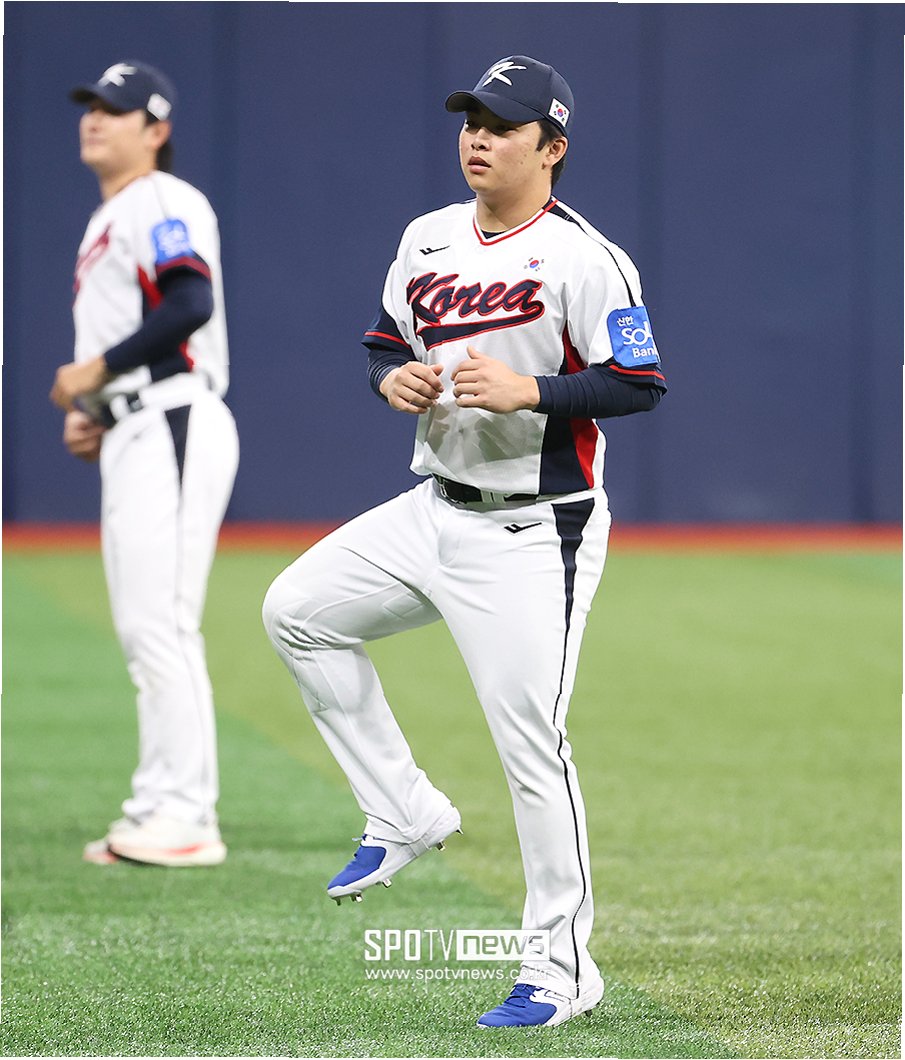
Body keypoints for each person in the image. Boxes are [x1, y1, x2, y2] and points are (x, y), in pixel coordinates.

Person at [263, 55, 666, 1027]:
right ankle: (402, 807)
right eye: (470, 121)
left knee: (532, 748)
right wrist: (387, 380)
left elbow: (639, 382)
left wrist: (533, 390)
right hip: (432, 507)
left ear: (551, 148)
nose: (477, 138)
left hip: (535, 528)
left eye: (502, 125)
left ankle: (561, 970)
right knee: (297, 612)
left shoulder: (585, 258)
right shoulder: (428, 235)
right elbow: (383, 339)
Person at [50, 61, 239, 868]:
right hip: (136, 424)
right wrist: (98, 409)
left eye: (116, 109)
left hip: (172, 417)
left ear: (156, 130)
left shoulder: (162, 198)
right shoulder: (114, 214)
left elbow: (189, 302)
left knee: (160, 621)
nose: (95, 118)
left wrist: (97, 373)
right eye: (91, 105)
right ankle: (159, 805)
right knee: (144, 624)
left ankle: (186, 816)